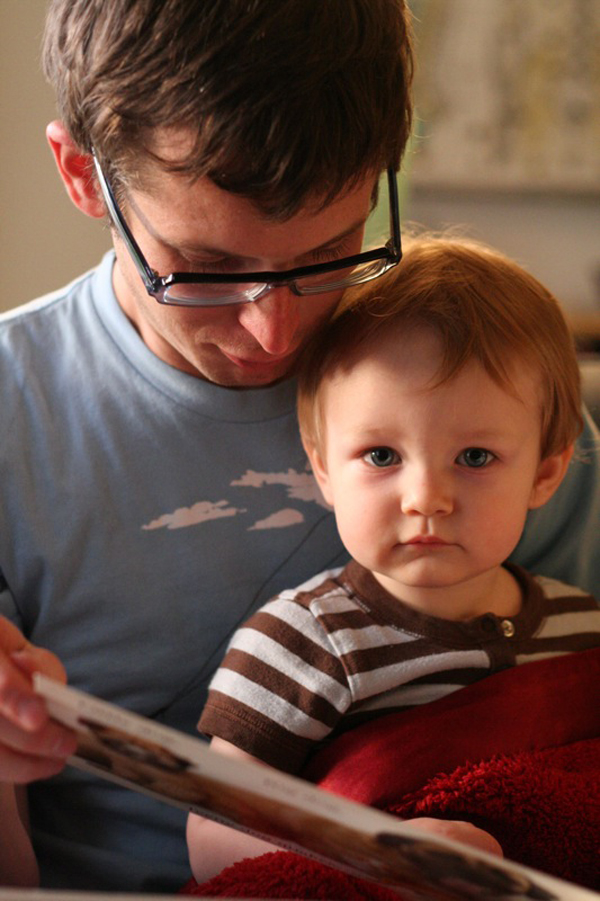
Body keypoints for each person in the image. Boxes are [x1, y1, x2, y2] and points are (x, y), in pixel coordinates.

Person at [0, 0, 598, 892]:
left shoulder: (487, 396)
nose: (274, 332)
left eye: (329, 250)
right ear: (82, 175)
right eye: (205, 268)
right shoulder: (15, 414)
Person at [186, 235, 600, 884]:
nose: (426, 498)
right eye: (381, 456)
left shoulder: (583, 629)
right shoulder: (300, 644)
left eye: (475, 457)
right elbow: (213, 827)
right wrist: (370, 856)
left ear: (545, 473)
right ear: (324, 468)